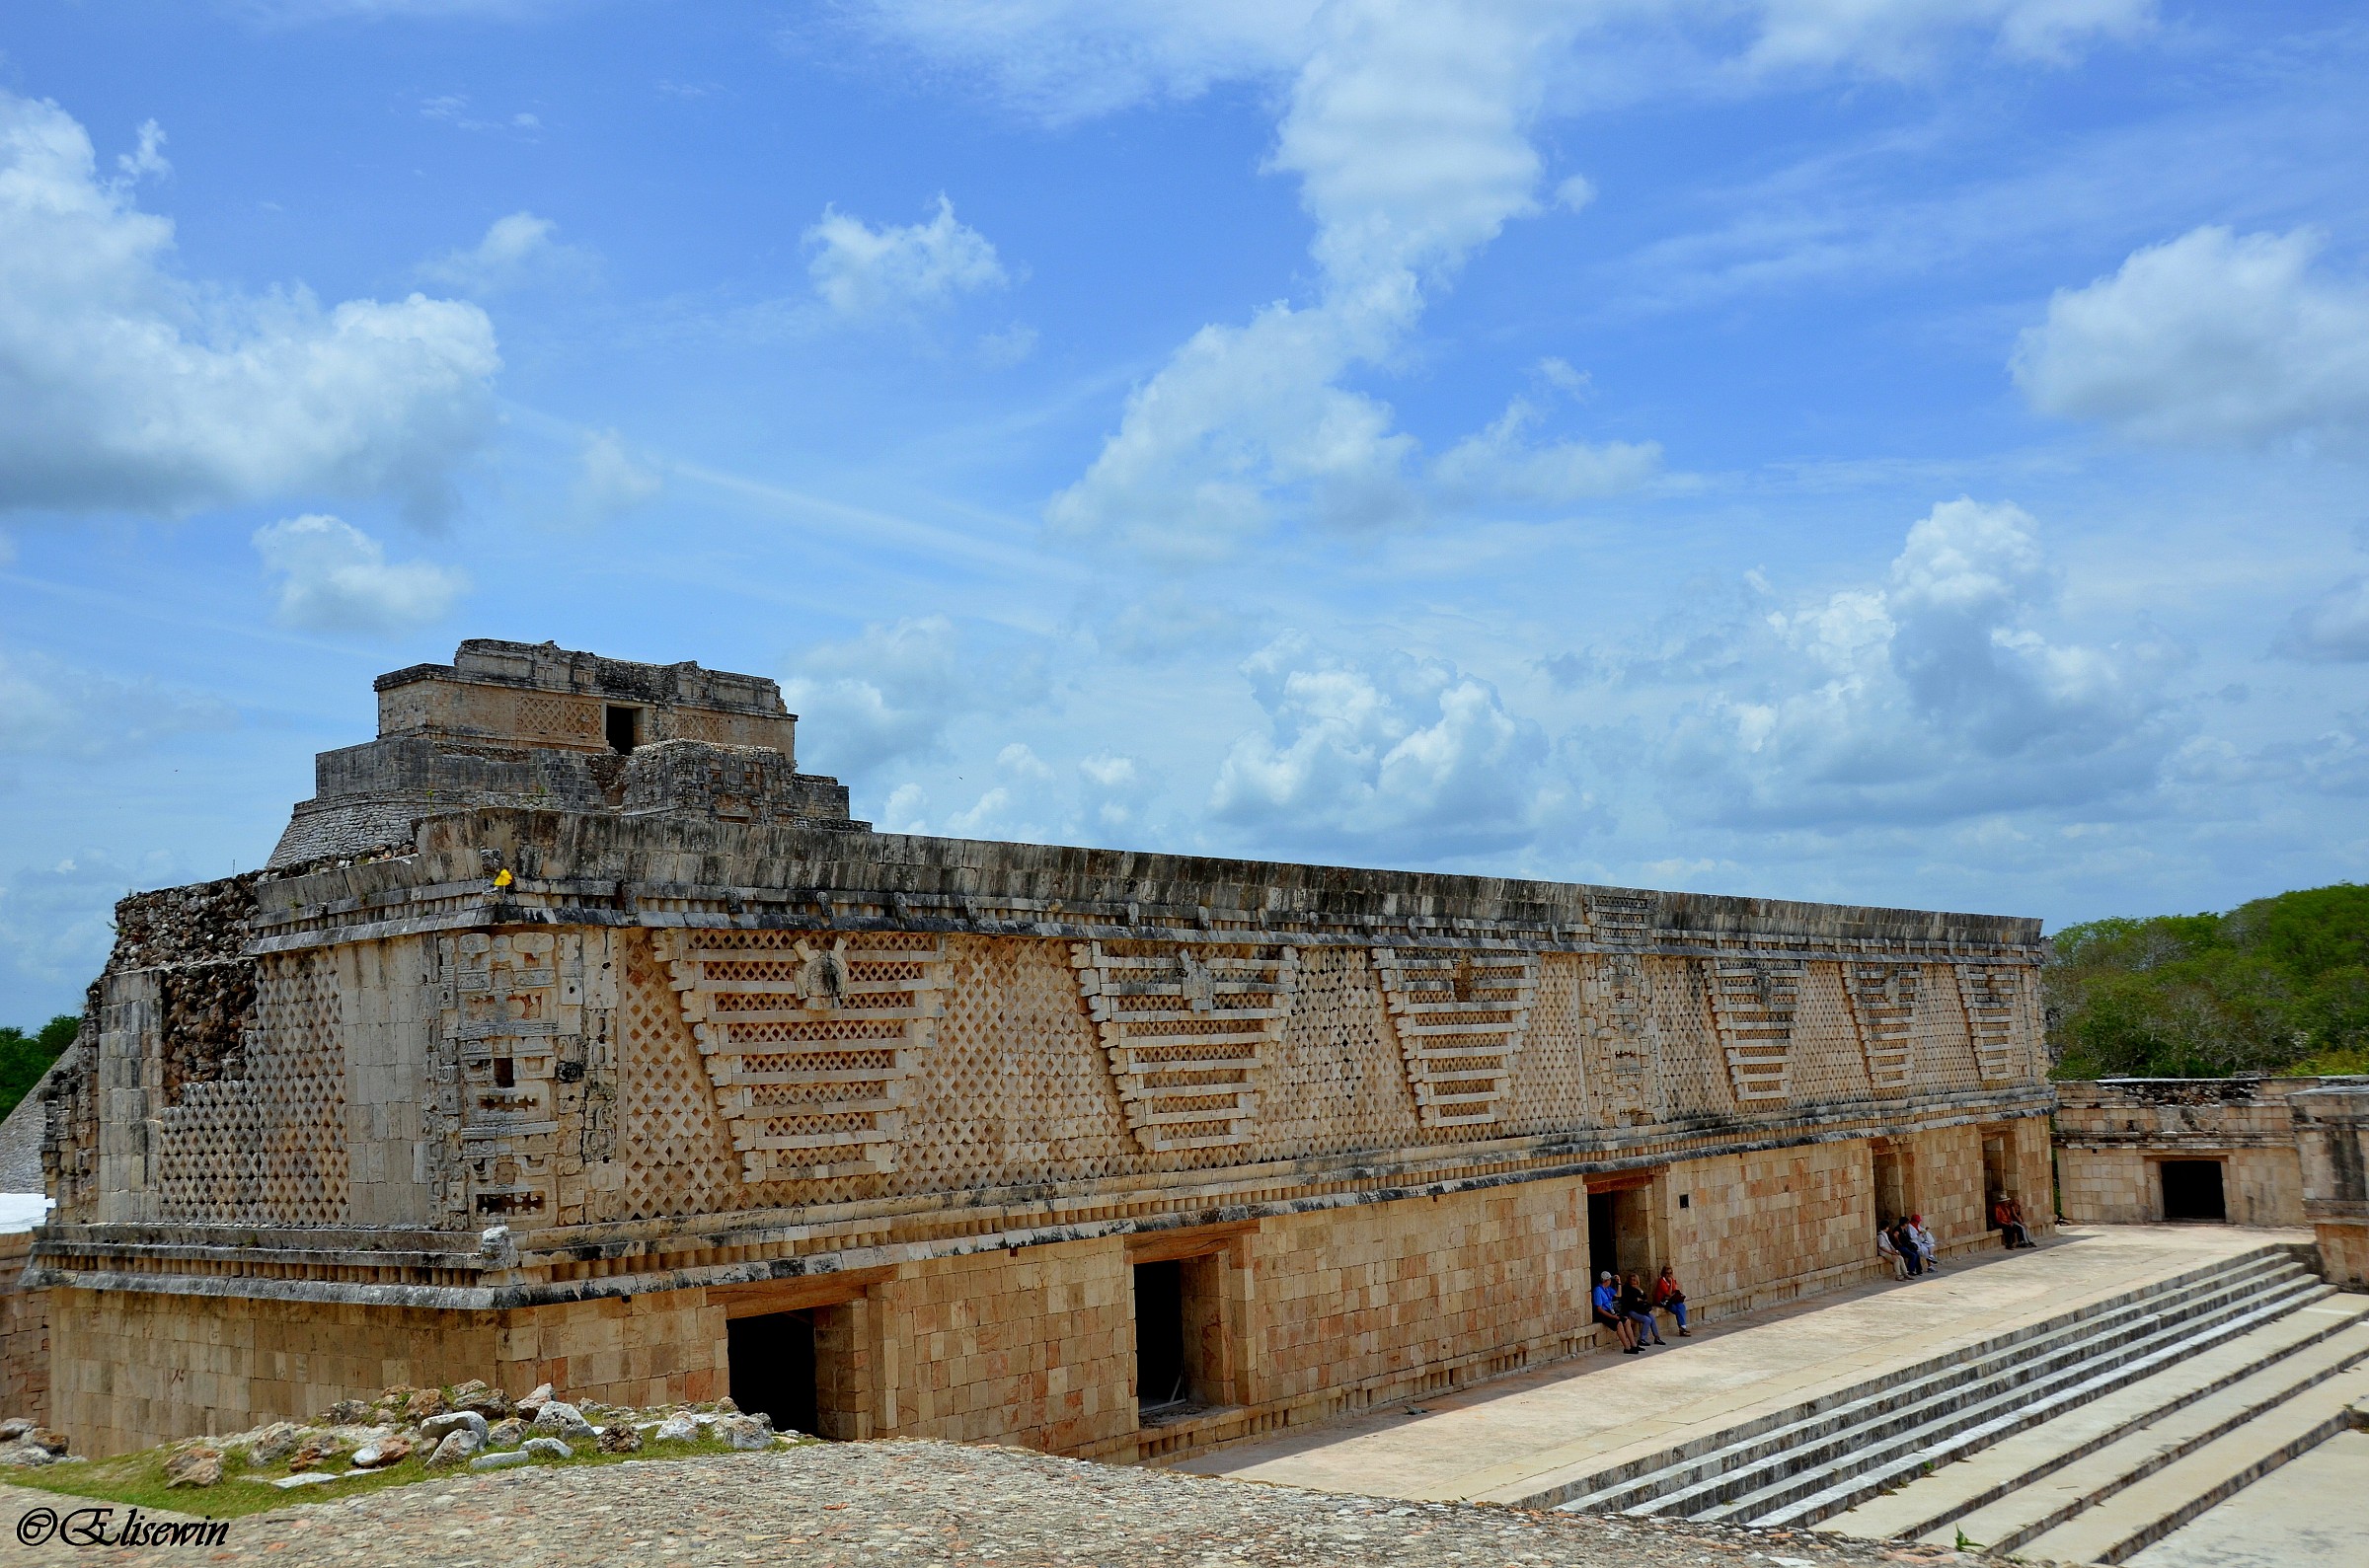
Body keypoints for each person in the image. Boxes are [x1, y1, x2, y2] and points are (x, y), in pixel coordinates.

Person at [1593, 1269, 1640, 1353]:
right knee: (1619, 1323)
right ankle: (1627, 1348)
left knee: (1627, 1321)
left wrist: (1619, 1283)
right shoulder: (1598, 1290)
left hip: (1611, 1311)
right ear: (1606, 1280)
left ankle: (1634, 1345)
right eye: (1610, 1279)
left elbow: (1619, 1294)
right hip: (1603, 1313)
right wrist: (1612, 1317)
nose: (1611, 1281)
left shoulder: (1607, 1289)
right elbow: (1599, 1309)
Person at [1622, 1271, 1666, 1346]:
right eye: (1632, 1280)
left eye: (1635, 1280)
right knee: (1647, 1320)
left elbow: (1644, 1298)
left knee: (1652, 1317)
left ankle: (1657, 1337)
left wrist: (1640, 1290)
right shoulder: (1626, 1288)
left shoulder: (1637, 1289)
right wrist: (1637, 1299)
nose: (1633, 1282)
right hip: (1632, 1310)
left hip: (1640, 1310)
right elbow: (1630, 1300)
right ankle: (1642, 1339)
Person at [1653, 1263, 1691, 1336]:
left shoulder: (1672, 1279)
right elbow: (1669, 1293)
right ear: (1663, 1273)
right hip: (1663, 1301)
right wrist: (1670, 1282)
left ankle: (1683, 1327)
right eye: (1667, 1273)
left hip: (1671, 1300)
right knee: (1677, 1310)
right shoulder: (1661, 1281)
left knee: (1681, 1306)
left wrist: (1671, 1282)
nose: (1669, 1275)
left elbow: (1674, 1290)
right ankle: (1682, 1329)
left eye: (1670, 1273)